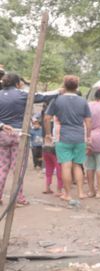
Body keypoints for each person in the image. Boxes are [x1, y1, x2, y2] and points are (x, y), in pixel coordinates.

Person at [1, 72, 57, 206]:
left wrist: (2, 126)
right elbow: (43, 96)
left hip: (2, 135)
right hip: (19, 135)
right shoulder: (22, 94)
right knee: (18, 168)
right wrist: (59, 91)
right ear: (17, 83)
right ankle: (17, 198)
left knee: (2, 167)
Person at [44, 75, 91, 203]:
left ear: (64, 85)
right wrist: (88, 137)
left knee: (66, 166)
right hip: (79, 137)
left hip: (63, 136)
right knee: (77, 165)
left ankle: (68, 194)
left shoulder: (57, 100)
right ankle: (81, 192)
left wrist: (48, 133)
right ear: (77, 87)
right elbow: (88, 121)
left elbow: (47, 118)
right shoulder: (83, 101)